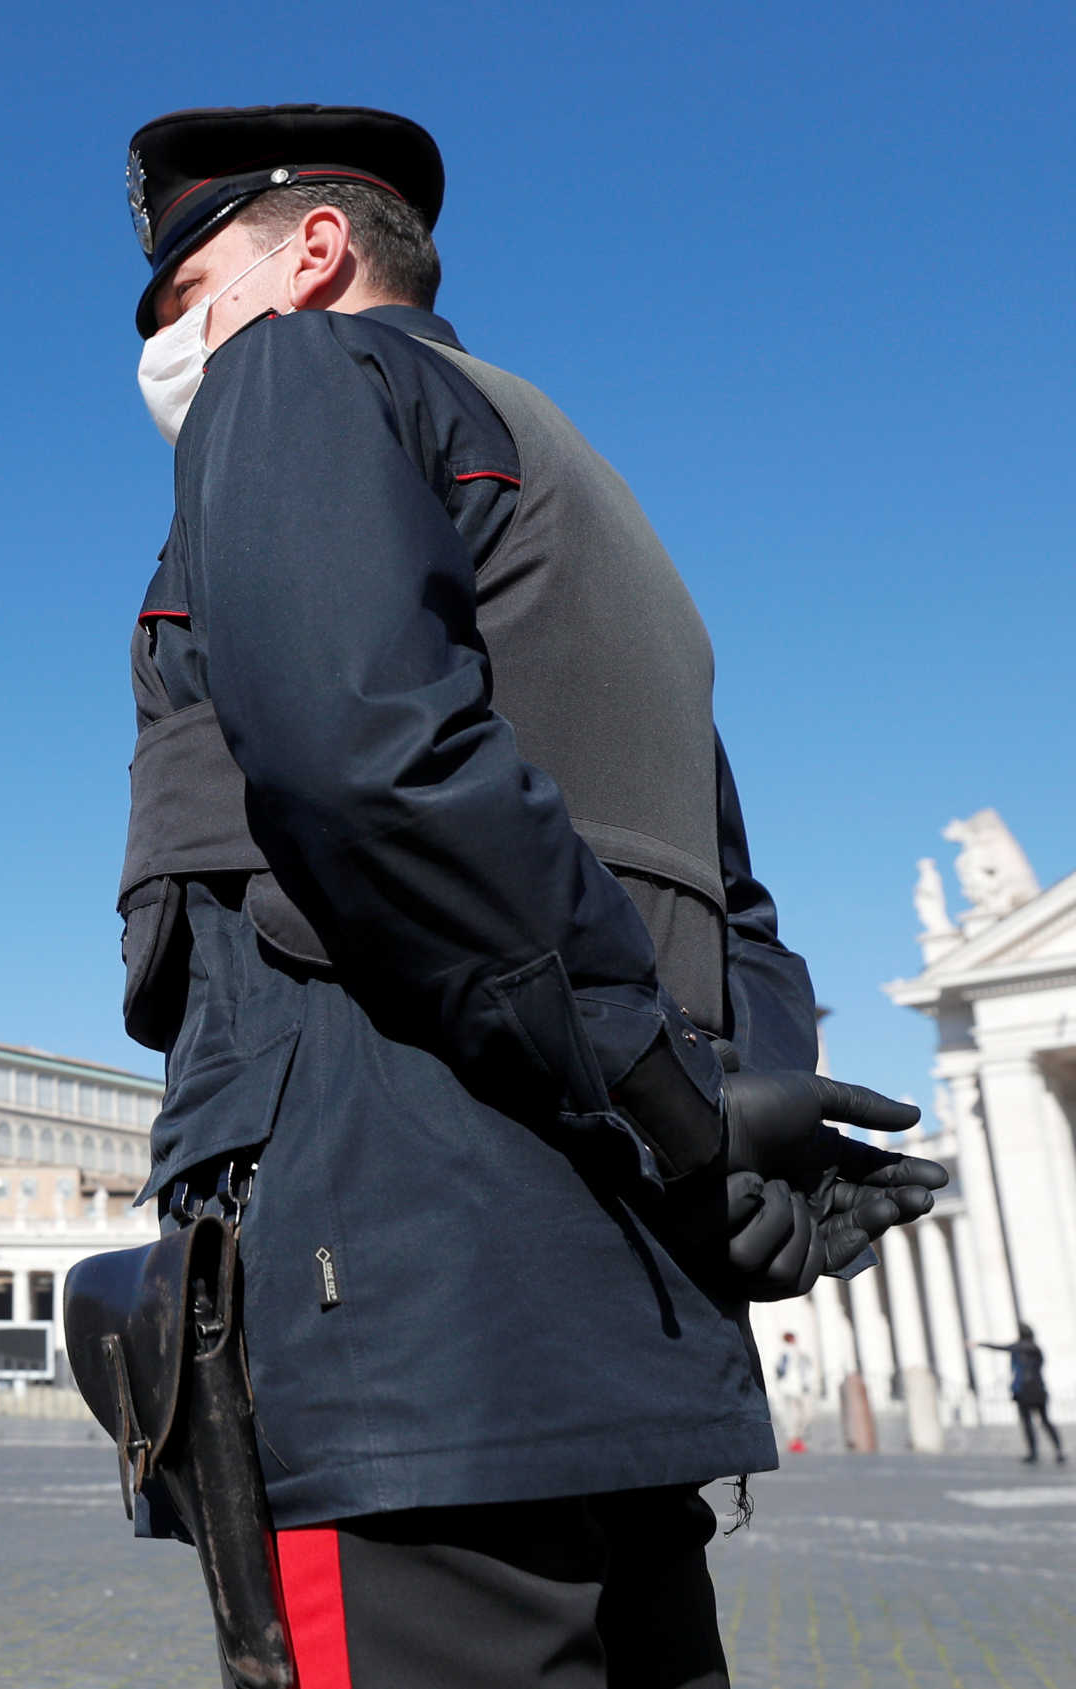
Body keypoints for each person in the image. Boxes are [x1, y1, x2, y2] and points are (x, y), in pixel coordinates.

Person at [107, 104, 952, 1685]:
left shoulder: (298, 376)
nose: (167, 335)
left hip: (405, 1315)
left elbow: (368, 757)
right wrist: (725, 1145)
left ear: (312, 252)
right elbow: (739, 909)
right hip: (622, 1338)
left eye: (182, 288)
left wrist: (672, 1103)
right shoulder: (597, 500)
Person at [980, 1324, 1063, 1464]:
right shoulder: (1035, 1349)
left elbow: (1002, 1348)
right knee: (1044, 1421)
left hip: (1025, 1391)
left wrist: (980, 1344)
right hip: (1038, 1389)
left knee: (1029, 1423)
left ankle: (1034, 1453)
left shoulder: (1021, 1347)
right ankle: (1057, 1450)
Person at [772, 1332, 820, 1452]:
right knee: (794, 1415)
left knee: (804, 1414)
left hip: (799, 1389)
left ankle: (796, 1438)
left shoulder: (799, 1353)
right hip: (789, 1389)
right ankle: (794, 1440)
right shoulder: (784, 1354)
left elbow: (806, 1368)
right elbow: (780, 1370)